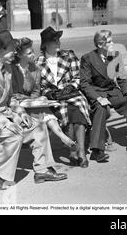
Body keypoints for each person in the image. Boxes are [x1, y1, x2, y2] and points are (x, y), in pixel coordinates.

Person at [0, 30, 67, 190]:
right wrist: (5, 123)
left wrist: (20, 113)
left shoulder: (7, 69)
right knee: (14, 133)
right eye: (11, 49)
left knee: (38, 126)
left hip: (5, 115)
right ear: (2, 49)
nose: (15, 53)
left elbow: (10, 99)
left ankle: (43, 170)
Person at [80, 30, 127, 163]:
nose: (113, 43)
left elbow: (122, 77)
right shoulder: (88, 58)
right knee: (101, 108)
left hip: (112, 91)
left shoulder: (115, 56)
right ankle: (97, 150)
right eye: (109, 42)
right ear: (100, 45)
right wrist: (98, 98)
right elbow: (85, 84)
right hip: (97, 92)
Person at [35, 26, 91, 168]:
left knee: (78, 111)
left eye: (58, 40)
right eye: (54, 41)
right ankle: (73, 152)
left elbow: (78, 76)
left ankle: (82, 153)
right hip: (54, 99)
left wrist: (70, 86)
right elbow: (40, 86)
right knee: (65, 112)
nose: (58, 43)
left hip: (71, 94)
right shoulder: (38, 62)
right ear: (45, 45)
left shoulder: (68, 55)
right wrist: (48, 92)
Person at [11, 37, 78, 152]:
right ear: (20, 55)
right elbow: (12, 93)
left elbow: (36, 91)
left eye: (32, 51)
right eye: (29, 53)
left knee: (44, 108)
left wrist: (34, 99)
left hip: (29, 102)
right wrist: (26, 100)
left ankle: (63, 137)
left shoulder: (35, 68)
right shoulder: (12, 70)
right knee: (42, 111)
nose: (33, 55)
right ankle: (62, 137)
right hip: (15, 104)